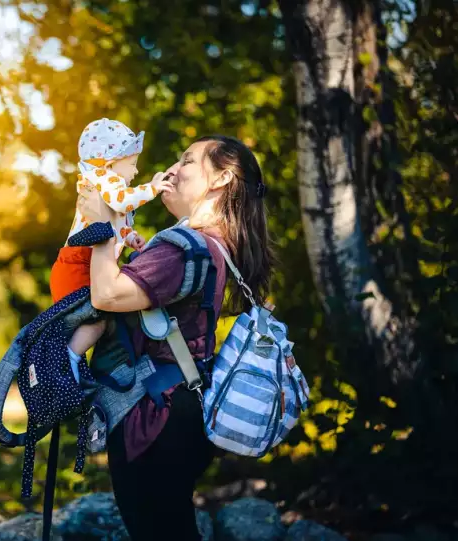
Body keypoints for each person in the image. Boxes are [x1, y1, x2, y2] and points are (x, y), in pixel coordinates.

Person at [76, 135, 275, 541]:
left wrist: (99, 225)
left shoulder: (184, 247)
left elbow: (108, 294)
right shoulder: (216, 246)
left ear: (221, 178)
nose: (170, 171)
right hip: (179, 411)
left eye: (186, 161)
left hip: (151, 417)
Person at [50, 117, 169, 382]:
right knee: (97, 320)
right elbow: (122, 201)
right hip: (78, 263)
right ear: (112, 161)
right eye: (133, 164)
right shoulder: (104, 178)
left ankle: (71, 360)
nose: (136, 172)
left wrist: (129, 237)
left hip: (81, 262)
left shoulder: (104, 184)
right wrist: (153, 188)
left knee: (98, 321)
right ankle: (66, 363)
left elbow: (113, 224)